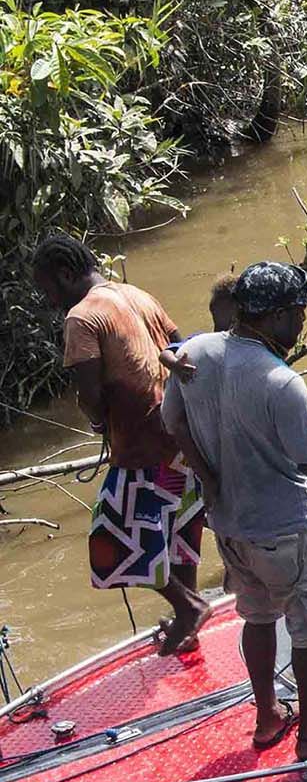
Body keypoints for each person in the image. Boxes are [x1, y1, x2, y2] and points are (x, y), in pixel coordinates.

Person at [160, 261, 307, 760]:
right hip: (286, 529)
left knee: (257, 616)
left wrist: (208, 476)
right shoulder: (281, 381)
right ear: (277, 317)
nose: (302, 322)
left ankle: (267, 717)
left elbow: (170, 420)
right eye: (298, 313)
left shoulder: (193, 353)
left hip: (229, 526)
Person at [30, 235, 208, 655]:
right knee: (178, 532)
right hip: (181, 437)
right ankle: (190, 621)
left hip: (141, 447)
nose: (49, 298)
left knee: (112, 540)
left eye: (47, 288)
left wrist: (97, 421)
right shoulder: (137, 295)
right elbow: (185, 352)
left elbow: (91, 395)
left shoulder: (82, 318)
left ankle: (190, 606)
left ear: (66, 274)